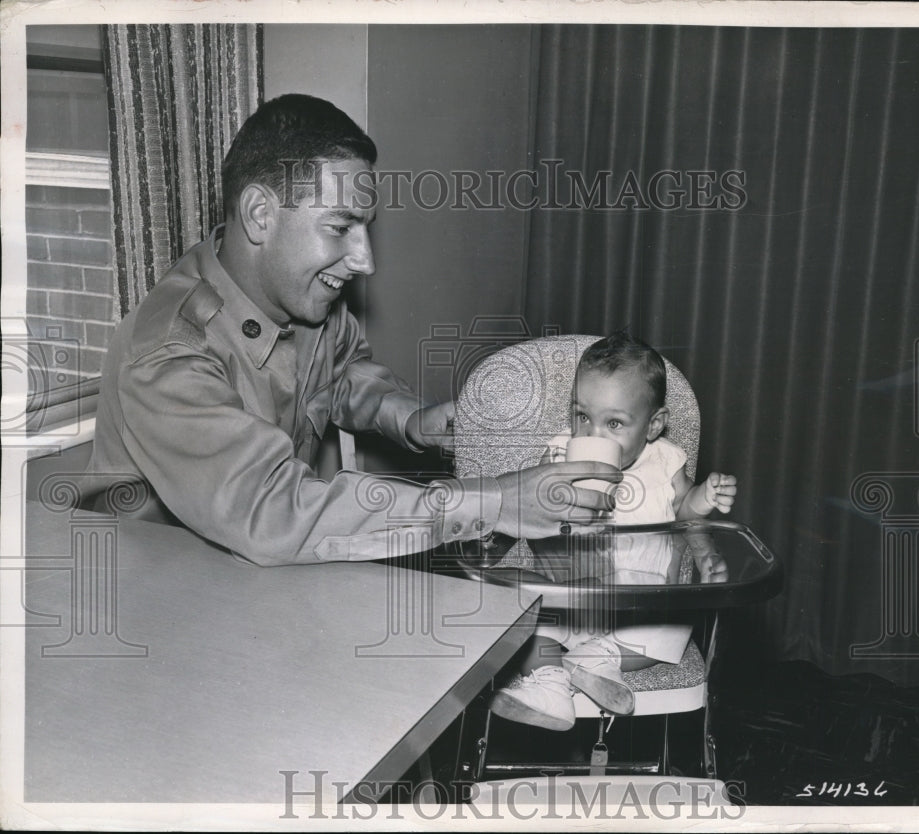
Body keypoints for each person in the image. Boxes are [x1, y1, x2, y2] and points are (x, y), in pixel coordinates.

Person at [82, 94, 619, 565]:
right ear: (260, 215)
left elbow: (343, 375)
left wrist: (412, 419)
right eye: (340, 227)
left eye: (365, 229)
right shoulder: (167, 352)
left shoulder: (307, 299)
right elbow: (272, 513)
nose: (364, 261)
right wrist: (494, 502)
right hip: (162, 606)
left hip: (264, 575)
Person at [490, 331, 736, 731]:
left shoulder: (664, 461)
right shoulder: (556, 455)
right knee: (509, 600)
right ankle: (551, 684)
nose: (592, 436)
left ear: (653, 426)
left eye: (614, 423)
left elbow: (685, 510)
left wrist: (704, 507)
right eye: (582, 416)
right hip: (570, 602)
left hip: (638, 609)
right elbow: (523, 508)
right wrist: (553, 490)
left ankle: (597, 660)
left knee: (672, 622)